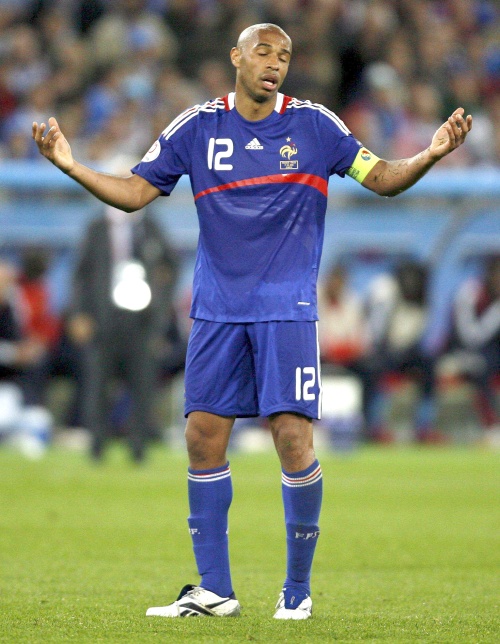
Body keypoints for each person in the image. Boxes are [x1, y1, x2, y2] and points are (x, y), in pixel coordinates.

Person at [33, 23, 472, 620]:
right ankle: (215, 589)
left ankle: (297, 590)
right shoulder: (197, 126)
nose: (275, 63)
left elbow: (383, 179)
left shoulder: (315, 125)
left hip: (285, 308)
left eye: (284, 56)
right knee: (201, 436)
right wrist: (70, 165)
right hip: (217, 310)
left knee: (291, 437)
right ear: (235, 57)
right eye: (263, 52)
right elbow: (135, 193)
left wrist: (431, 154)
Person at [67, 199, 179, 463]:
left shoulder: (149, 226)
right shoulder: (97, 227)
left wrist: (160, 303)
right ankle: (97, 446)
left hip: (142, 321)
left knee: (142, 385)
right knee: (98, 384)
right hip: (103, 319)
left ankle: (138, 447)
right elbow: (80, 274)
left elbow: (172, 265)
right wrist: (79, 313)